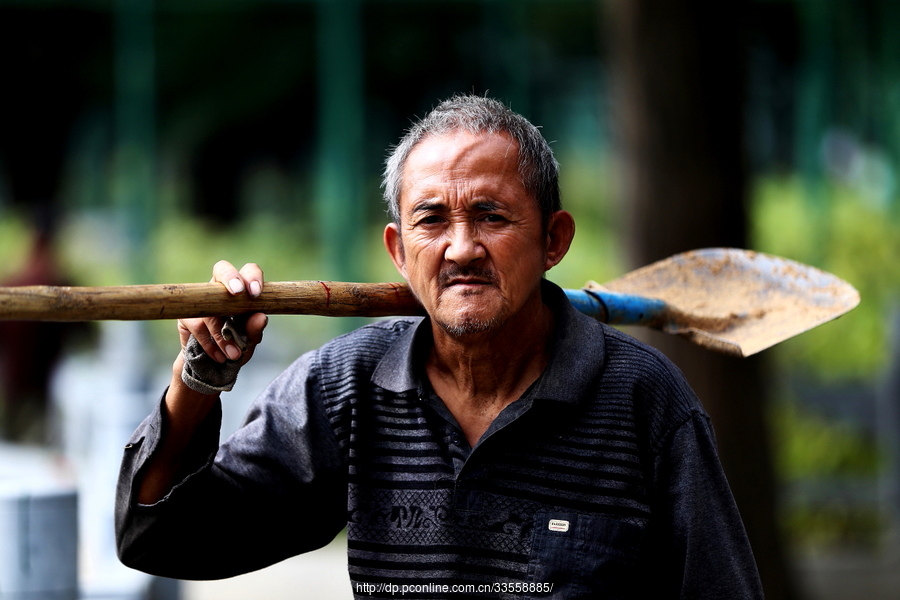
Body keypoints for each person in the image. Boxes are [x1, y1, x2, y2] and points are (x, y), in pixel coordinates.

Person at [115, 95, 764, 599]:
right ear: (399, 252)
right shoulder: (348, 388)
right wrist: (199, 376)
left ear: (554, 241)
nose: (460, 248)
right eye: (432, 219)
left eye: (491, 215)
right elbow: (160, 539)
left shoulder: (644, 402)